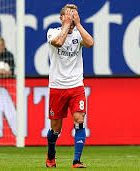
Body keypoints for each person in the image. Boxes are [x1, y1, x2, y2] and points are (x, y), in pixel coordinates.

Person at [46, 4, 94, 168]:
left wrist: (78, 25)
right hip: (57, 86)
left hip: (76, 85)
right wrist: (66, 25)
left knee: (80, 120)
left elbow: (90, 43)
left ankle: (76, 160)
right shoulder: (52, 32)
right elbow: (58, 43)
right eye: (68, 16)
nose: (71, 19)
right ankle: (51, 154)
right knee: (55, 129)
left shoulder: (78, 35)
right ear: (61, 18)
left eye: (74, 16)